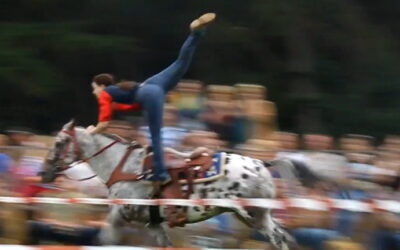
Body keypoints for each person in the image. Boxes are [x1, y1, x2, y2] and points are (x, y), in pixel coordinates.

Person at [87, 13, 216, 183]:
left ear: (101, 86)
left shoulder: (104, 94)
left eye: (94, 88)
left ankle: (160, 173)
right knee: (180, 63)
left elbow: (104, 124)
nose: (94, 92)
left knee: (155, 135)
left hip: (149, 93)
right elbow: (134, 106)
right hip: (152, 85)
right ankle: (196, 33)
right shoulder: (117, 92)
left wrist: (91, 132)